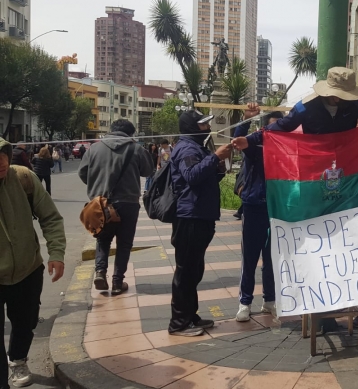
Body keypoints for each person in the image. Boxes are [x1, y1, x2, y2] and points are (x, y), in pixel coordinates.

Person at [234, 67, 358, 328]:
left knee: (350, 241)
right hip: (315, 176)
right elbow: (279, 128)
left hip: (346, 172)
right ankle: (308, 310)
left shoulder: (356, 102)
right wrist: (249, 139)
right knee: (314, 244)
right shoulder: (305, 108)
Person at [0, 138, 66, 388]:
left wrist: (57, 253)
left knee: (25, 323)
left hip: (28, 269)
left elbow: (50, 216)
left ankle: (17, 361)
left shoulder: (23, 177)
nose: (3, 161)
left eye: (4, 154)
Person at [168, 110, 233, 336]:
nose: (207, 127)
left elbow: (201, 178)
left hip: (201, 215)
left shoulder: (196, 147)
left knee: (195, 270)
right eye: (203, 124)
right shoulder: (186, 148)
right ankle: (178, 323)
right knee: (186, 271)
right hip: (190, 217)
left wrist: (217, 169)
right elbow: (192, 176)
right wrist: (215, 157)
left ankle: (189, 315)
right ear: (192, 127)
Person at [79, 119, 154, 295]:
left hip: (101, 202)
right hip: (128, 203)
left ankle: (100, 272)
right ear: (130, 133)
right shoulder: (136, 149)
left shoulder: (94, 149)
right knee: (125, 243)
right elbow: (148, 171)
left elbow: (83, 172)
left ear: (111, 130)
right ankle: (118, 282)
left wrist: (96, 186)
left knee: (102, 239)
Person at [234, 108, 284, 323]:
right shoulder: (256, 147)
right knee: (250, 257)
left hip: (277, 208)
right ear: (263, 129)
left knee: (272, 258)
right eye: (271, 127)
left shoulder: (287, 149)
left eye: (279, 128)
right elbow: (238, 139)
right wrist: (246, 119)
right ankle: (245, 302)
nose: (275, 132)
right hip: (254, 207)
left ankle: (269, 301)